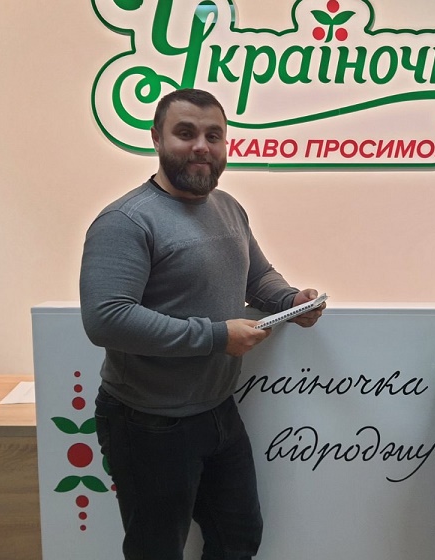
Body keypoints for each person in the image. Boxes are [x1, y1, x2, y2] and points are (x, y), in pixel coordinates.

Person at [80, 88, 325, 560]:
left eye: (214, 136)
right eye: (186, 133)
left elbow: (257, 276)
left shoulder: (228, 207)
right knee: (156, 550)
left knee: (238, 538)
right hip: (148, 422)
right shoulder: (125, 221)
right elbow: (106, 319)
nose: (201, 146)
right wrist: (215, 336)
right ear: (157, 138)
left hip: (218, 410)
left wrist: (291, 300)